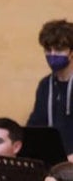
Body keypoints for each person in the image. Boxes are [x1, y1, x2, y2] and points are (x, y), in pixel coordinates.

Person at [27, 18, 73, 160]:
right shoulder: (45, 85)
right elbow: (34, 128)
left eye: (59, 49)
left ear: (71, 52)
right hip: (53, 165)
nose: (52, 55)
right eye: (48, 50)